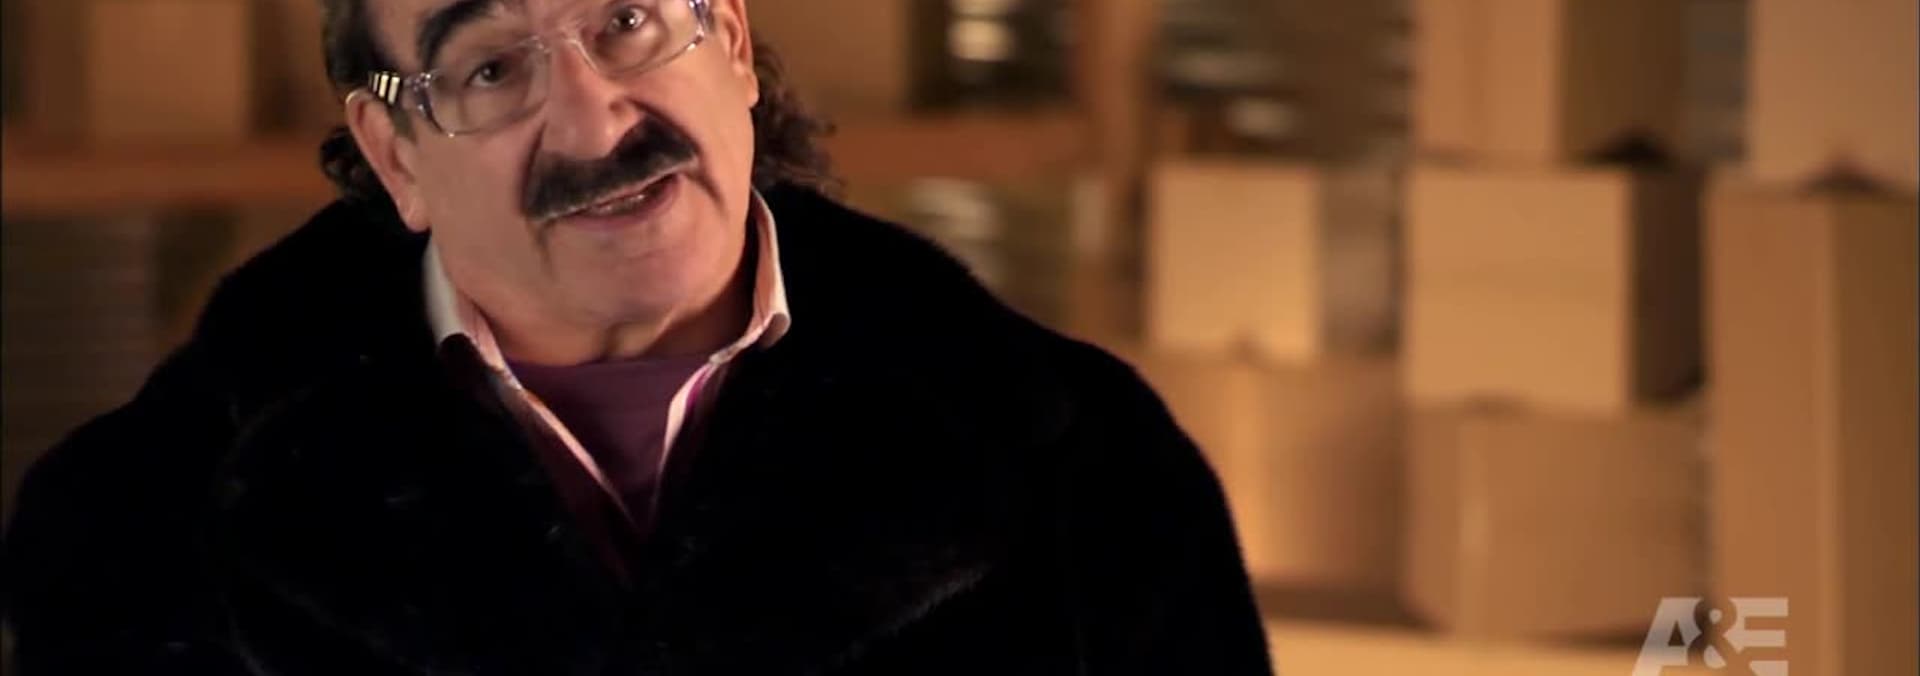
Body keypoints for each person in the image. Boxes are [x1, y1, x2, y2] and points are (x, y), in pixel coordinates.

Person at [2, 0, 1273, 673]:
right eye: (491, 68)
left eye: (628, 24)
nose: (596, 122)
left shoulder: (1096, 475)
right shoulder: (137, 528)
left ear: (733, 44)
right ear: (396, 155)